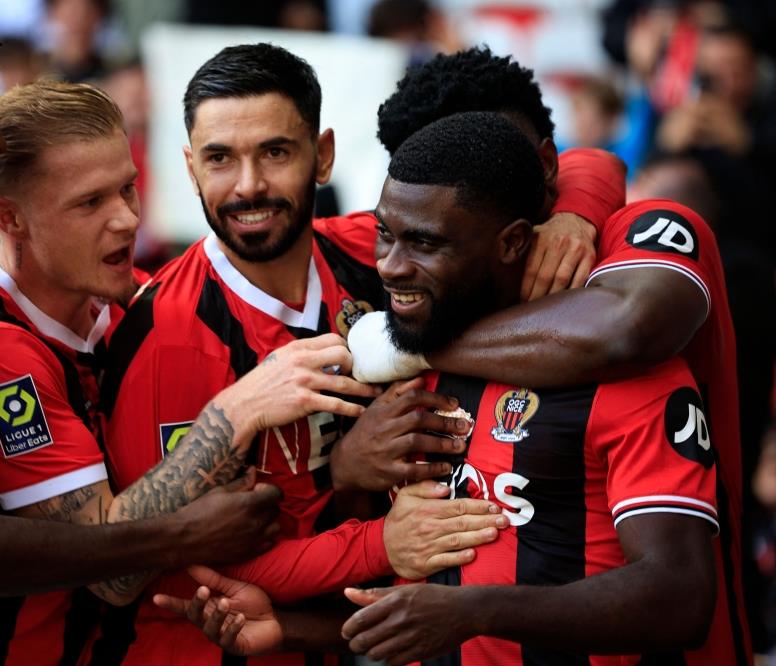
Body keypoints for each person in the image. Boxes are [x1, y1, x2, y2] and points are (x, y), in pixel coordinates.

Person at [0, 3, 344, 662]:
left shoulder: (133, 304)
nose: (126, 220)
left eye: (127, 190)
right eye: (89, 203)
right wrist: (210, 471)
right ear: (10, 219)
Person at [102, 43, 625, 664]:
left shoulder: (376, 249)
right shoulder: (161, 335)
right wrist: (378, 536)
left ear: (322, 155)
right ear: (190, 168)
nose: (248, 185)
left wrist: (573, 218)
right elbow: (180, 567)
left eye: (275, 152)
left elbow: (589, 163)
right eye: (220, 158)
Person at [156, 111, 724, 665]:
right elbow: (421, 606)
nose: (390, 266)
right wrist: (289, 629)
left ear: (511, 243)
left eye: (424, 243)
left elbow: (679, 598)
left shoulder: (626, 378)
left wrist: (478, 611)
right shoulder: (405, 379)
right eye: (385, 235)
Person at [346, 46, 750, 665]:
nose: (395, 262)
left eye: (482, 157)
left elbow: (626, 328)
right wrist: (348, 467)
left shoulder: (635, 255)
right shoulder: (418, 268)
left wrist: (407, 348)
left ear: (540, 168)